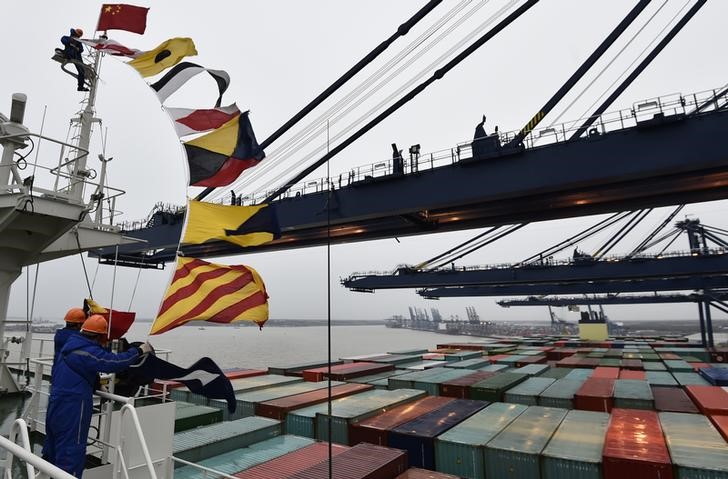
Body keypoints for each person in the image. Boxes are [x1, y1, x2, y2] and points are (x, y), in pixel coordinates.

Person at [42, 315, 153, 477]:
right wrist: (139, 350)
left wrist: (96, 384)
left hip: (56, 401)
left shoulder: (69, 346)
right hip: (73, 406)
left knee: (54, 445)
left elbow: (80, 369)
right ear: (100, 336)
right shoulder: (87, 352)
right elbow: (113, 362)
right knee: (72, 449)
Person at [50, 307, 87, 381]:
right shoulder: (78, 338)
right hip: (73, 378)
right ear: (79, 325)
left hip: (57, 374)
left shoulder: (59, 335)